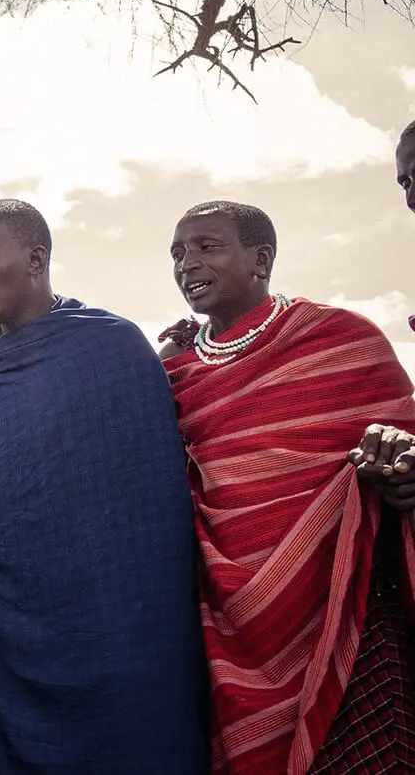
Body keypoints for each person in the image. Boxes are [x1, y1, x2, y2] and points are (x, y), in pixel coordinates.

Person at [0, 198, 207, 774]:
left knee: (134, 739)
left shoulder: (111, 346)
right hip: (11, 610)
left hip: (117, 607)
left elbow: (147, 484)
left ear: (36, 258)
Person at [157, 201, 415, 774]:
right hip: (230, 634)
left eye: (206, 246)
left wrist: (397, 472)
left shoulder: (339, 339)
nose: (186, 263)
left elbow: (405, 450)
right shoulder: (171, 376)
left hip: (347, 614)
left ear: (261, 258)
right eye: (177, 252)